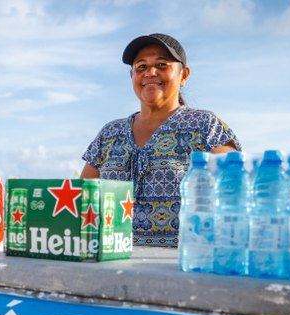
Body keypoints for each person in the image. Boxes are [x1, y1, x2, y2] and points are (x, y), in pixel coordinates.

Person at [81, 33, 241, 247]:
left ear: (183, 75)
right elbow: (81, 199)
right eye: (141, 67)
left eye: (162, 65)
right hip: (111, 262)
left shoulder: (205, 126)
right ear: (132, 75)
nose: (150, 73)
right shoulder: (110, 133)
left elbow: (237, 193)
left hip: (182, 265)